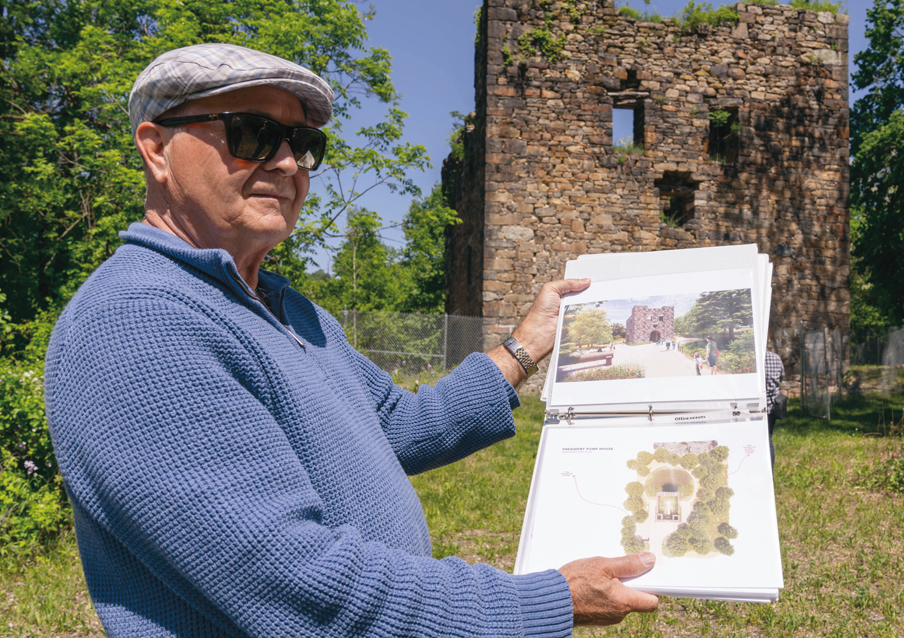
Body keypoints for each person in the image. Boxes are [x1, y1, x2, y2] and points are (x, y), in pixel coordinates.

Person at [44, 43, 657, 638]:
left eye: (304, 144)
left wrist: (526, 344)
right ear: (156, 149)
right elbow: (301, 589)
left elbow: (392, 425)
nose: (287, 163)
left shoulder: (286, 309)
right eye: (251, 133)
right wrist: (543, 601)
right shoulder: (137, 323)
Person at [764, 350, 786, 466]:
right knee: (768, 440)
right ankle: (769, 473)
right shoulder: (776, 357)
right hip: (772, 407)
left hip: (754, 409)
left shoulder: (753, 359)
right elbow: (781, 377)